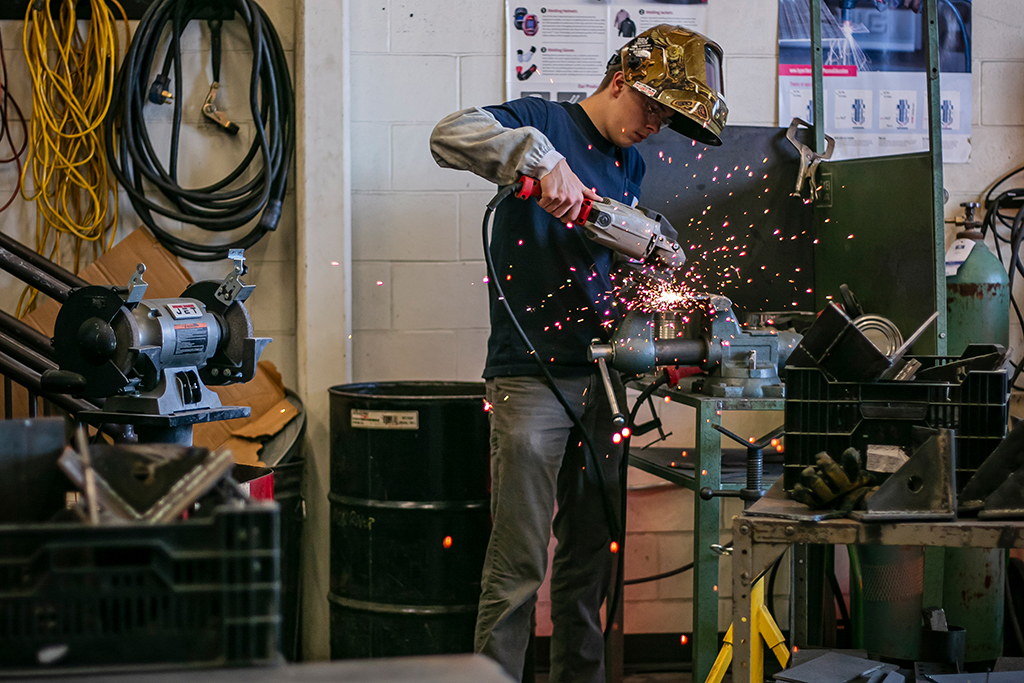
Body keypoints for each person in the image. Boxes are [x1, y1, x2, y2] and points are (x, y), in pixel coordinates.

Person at [429, 24, 728, 683]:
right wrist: (537, 158)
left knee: (588, 559)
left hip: (604, 375)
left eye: (670, 120)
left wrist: (654, 275)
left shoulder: (633, 165)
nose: (655, 127)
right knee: (517, 564)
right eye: (653, 108)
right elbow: (447, 135)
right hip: (531, 377)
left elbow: (610, 264)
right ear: (620, 79)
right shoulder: (542, 121)